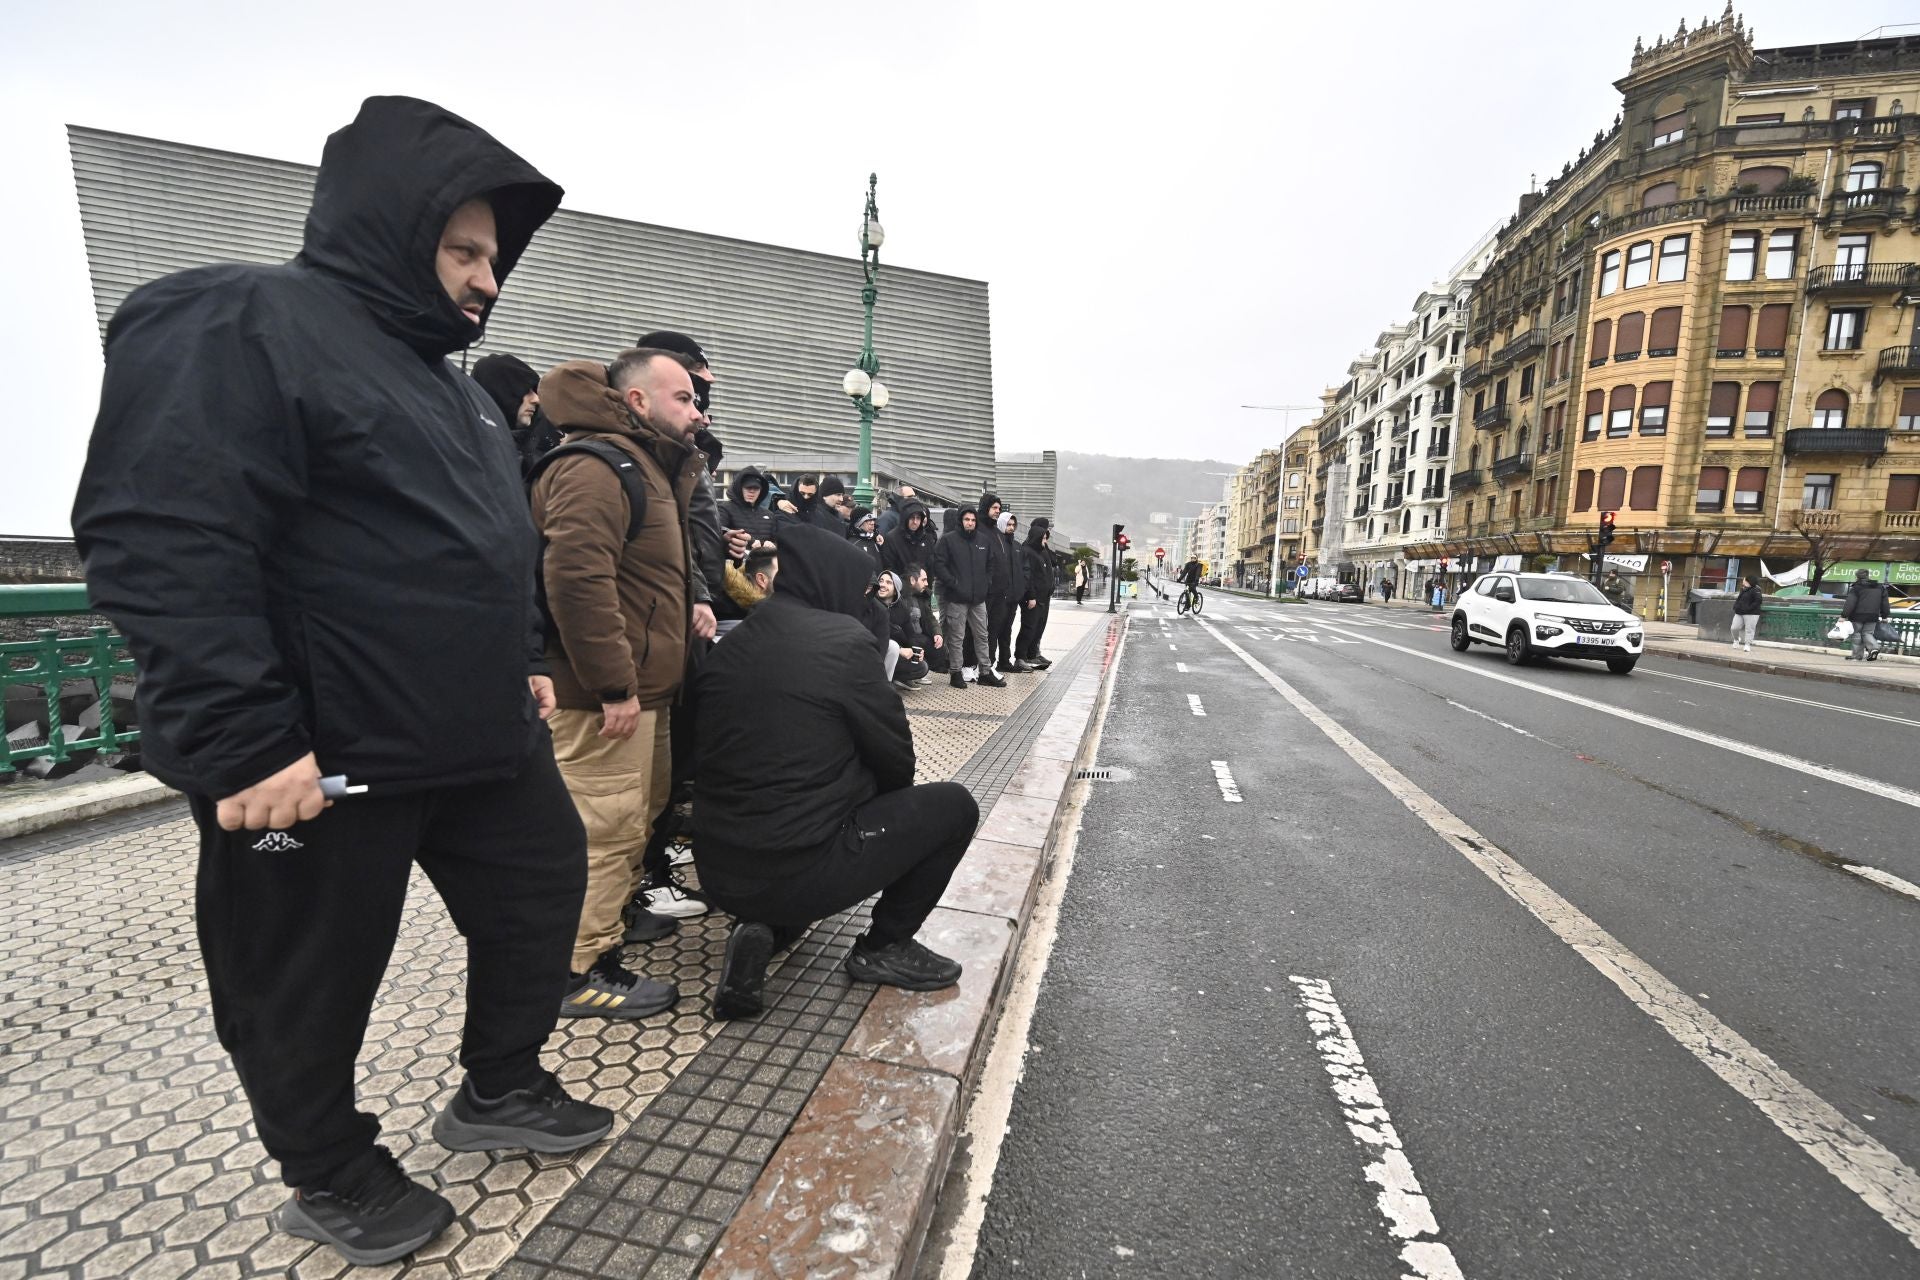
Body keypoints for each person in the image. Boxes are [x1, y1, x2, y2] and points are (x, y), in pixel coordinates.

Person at [69, 96, 607, 1266]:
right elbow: (163, 529)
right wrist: (243, 735)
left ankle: (500, 1083)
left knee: (541, 887)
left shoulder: (459, 392)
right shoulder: (240, 316)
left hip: (474, 735)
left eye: (495, 260)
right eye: (463, 250)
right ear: (386, 226)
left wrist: (519, 656)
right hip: (319, 753)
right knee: (304, 977)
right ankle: (328, 1168)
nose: (486, 282)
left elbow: (492, 539)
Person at [693, 525, 980, 1018]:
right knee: (954, 807)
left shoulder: (733, 641)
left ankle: (770, 925)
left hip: (718, 869)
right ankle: (884, 946)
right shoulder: (845, 641)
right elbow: (896, 758)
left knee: (797, 804)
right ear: (833, 583)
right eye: (860, 588)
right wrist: (869, 802)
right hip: (799, 864)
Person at [532, 350, 710, 1016]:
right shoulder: (594, 467)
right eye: (685, 398)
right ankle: (574, 971)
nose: (697, 412)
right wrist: (613, 684)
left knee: (631, 823)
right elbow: (578, 582)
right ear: (638, 402)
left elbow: (644, 578)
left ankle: (602, 933)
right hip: (602, 700)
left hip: (645, 692)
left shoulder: (645, 467)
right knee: (602, 830)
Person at [930, 507, 1004, 688]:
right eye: (966, 519)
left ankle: (985, 672)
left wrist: (985, 584)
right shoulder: (948, 540)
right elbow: (939, 564)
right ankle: (955, 672)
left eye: (972, 520)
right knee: (957, 636)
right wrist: (953, 583)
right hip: (956, 597)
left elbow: (990, 564)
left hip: (978, 598)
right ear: (961, 521)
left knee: (982, 635)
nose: (970, 522)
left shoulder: (983, 541)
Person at [993, 512, 1033, 673]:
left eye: (1012, 525)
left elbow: (1025, 570)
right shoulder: (997, 543)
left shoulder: (1017, 547)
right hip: (999, 597)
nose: (1010, 528)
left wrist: (1021, 590)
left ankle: (1004, 661)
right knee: (994, 630)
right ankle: (989, 662)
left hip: (1013, 597)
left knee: (1007, 630)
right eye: (1008, 524)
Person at [880, 571, 932, 688]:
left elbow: (911, 635)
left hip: (896, 653)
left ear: (895, 589)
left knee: (922, 666)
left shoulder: (901, 608)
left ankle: (897, 678)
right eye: (881, 581)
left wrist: (915, 651)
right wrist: (899, 649)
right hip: (878, 652)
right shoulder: (872, 605)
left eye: (888, 582)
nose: (883, 584)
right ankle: (883, 683)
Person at [1016, 517, 1056, 669]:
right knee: (1029, 627)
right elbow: (1028, 577)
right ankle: (1021, 657)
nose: (1045, 540)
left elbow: (1050, 567)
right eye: (1044, 537)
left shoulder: (1041, 551)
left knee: (1038, 627)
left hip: (1043, 598)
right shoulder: (1027, 551)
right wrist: (1031, 596)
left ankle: (1033, 655)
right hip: (1033, 599)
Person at [719, 466, 780, 544]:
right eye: (748, 488)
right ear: (740, 488)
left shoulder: (769, 514)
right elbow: (720, 533)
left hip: (764, 555)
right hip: (736, 554)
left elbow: (777, 542)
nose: (752, 491)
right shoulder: (724, 509)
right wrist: (751, 542)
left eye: (756, 488)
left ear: (761, 490)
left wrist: (772, 546)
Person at [1842, 568, 1891, 661]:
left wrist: (1843, 615)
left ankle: (1858, 655)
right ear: (1868, 576)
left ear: (1857, 577)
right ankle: (1873, 648)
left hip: (1857, 615)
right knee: (1867, 633)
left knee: (1857, 634)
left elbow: (1850, 603)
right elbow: (1885, 603)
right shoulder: (1880, 587)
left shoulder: (1856, 588)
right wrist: (1884, 616)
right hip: (1873, 615)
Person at [1731, 575, 1763, 652]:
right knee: (1734, 628)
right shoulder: (1743, 589)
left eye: (1744, 579)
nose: (1743, 581)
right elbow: (1739, 599)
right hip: (1739, 612)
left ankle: (1747, 645)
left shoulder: (1756, 590)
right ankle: (1736, 639)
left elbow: (1758, 601)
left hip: (1752, 613)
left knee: (1749, 629)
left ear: (1749, 581)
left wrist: (1748, 608)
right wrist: (1736, 606)